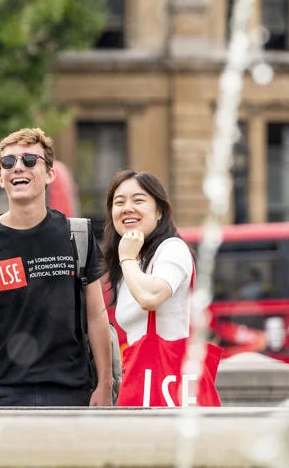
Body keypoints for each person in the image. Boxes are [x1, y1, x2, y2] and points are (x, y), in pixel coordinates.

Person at [0, 128, 113, 407]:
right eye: (8, 162)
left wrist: (105, 384)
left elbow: (97, 316)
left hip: (71, 392)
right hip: (4, 393)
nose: (18, 168)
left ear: (49, 174)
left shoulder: (79, 235)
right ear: (0, 177)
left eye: (30, 160)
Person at [102, 170, 203, 403]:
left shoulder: (172, 248)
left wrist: (126, 258)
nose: (127, 208)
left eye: (138, 200)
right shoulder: (131, 262)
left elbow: (150, 297)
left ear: (159, 212)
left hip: (167, 385)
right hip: (139, 378)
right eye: (119, 202)